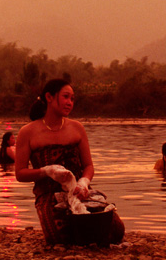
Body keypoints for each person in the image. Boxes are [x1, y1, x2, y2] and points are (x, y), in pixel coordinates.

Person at [15, 79, 124, 245]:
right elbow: (20, 173)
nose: (69, 103)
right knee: (60, 238)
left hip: (79, 192)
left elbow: (88, 166)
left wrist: (84, 182)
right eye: (66, 97)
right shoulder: (28, 132)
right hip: (49, 195)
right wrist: (46, 171)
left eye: (72, 99)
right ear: (49, 97)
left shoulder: (77, 128)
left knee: (115, 230)